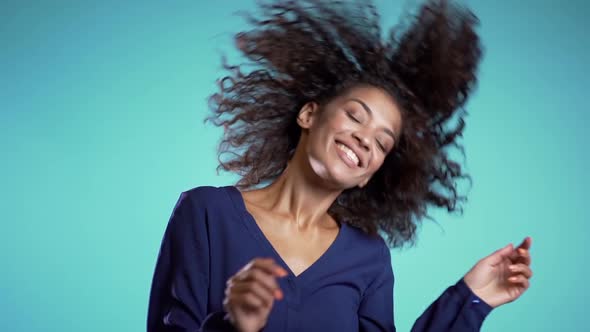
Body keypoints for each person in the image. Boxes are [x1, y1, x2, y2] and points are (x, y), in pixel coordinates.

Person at [147, 0, 533, 331]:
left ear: (370, 174)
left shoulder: (369, 257)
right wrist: (233, 325)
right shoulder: (206, 214)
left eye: (382, 142)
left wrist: (471, 299)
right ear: (309, 114)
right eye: (355, 115)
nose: (365, 138)